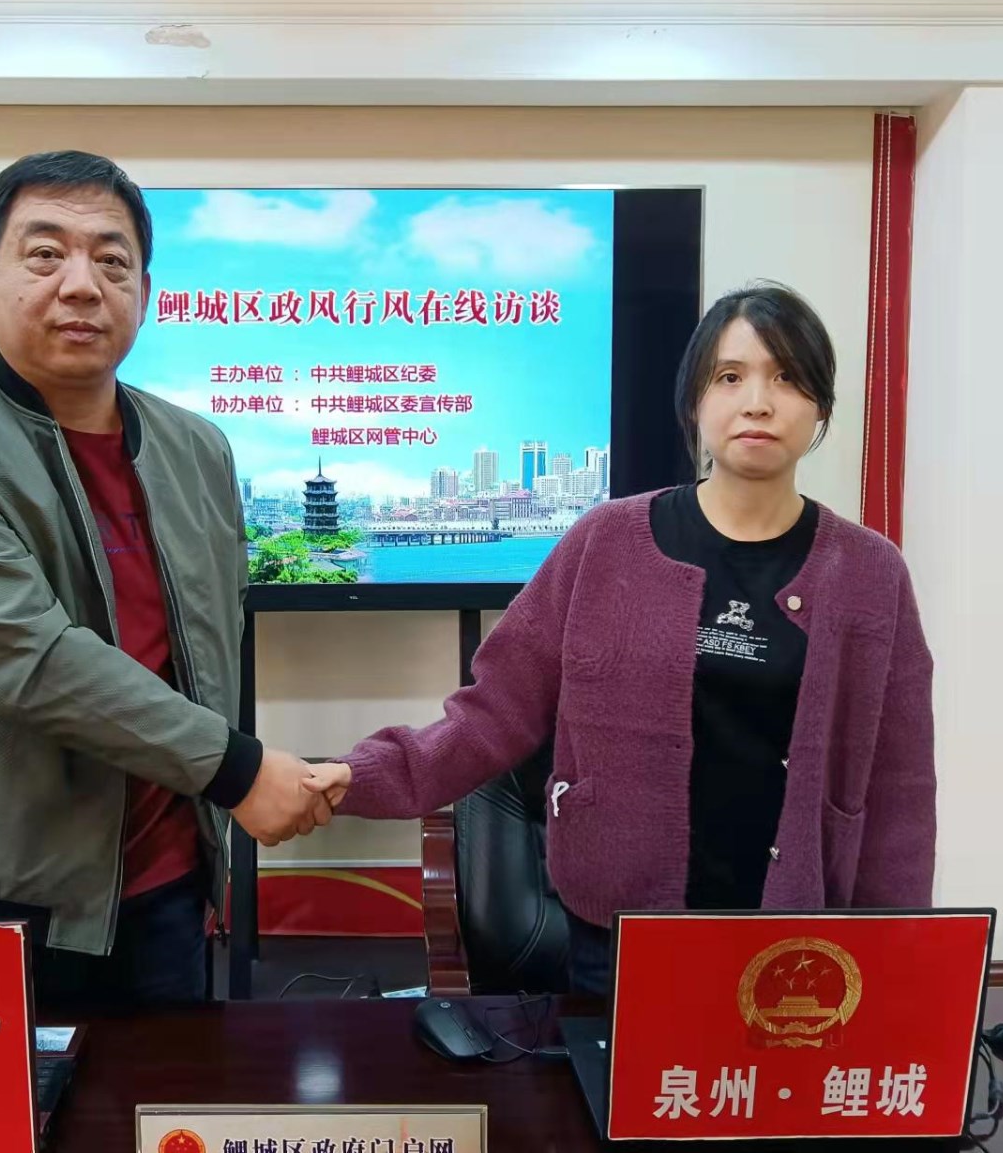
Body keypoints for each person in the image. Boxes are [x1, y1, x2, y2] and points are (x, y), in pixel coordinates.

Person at [304, 283, 936, 997]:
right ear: (694, 400)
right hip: (619, 937)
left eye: (787, 377)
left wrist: (900, 967)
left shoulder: (870, 573)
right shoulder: (606, 542)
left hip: (795, 946)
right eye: (730, 376)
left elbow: (900, 791)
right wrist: (363, 775)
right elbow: (493, 712)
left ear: (820, 405)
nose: (758, 402)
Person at [0, 150, 332, 1011]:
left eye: (113, 261)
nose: (82, 285)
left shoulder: (198, 448)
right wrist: (239, 772)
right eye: (45, 254)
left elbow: (210, 646)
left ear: (145, 292)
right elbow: (33, 658)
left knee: (164, 1095)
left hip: (166, 891)